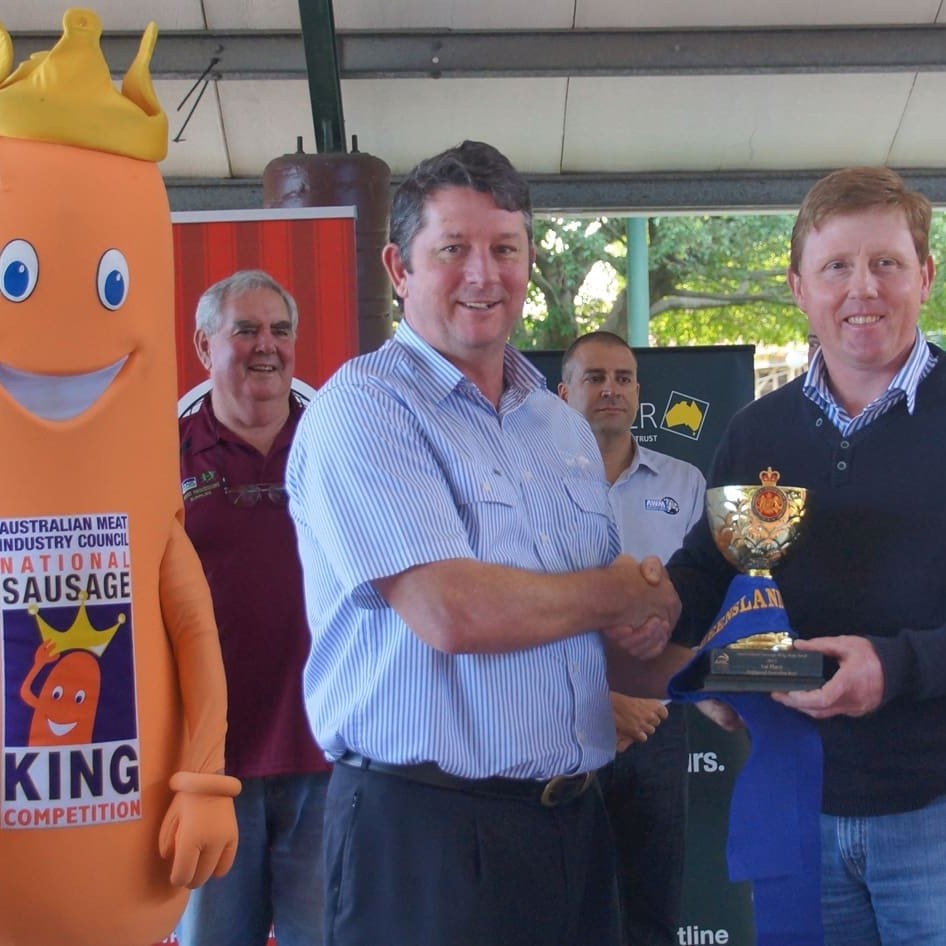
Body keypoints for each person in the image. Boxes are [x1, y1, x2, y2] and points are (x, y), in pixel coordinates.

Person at [286, 140, 681, 946]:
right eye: (453, 249)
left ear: (529, 260)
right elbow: (449, 610)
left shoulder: (558, 427)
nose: (483, 274)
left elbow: (605, 636)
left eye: (505, 248)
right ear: (399, 268)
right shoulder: (363, 409)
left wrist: (735, 656)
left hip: (574, 820)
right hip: (425, 832)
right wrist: (624, 590)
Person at [663, 167, 946, 945]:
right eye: (836, 267)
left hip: (936, 814)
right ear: (797, 286)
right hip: (799, 801)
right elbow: (708, 571)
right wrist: (668, 629)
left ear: (924, 275)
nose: (863, 289)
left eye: (886, 263)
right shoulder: (758, 433)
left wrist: (898, 667)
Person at [176, 270, 331, 946]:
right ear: (204, 346)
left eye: (280, 329)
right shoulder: (159, 455)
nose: (266, 345)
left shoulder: (340, 448)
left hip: (325, 753)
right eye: (246, 330)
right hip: (207, 766)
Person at [559, 331, 706, 946]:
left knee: (652, 909)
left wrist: (650, 698)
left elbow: (702, 608)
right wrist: (599, 699)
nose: (610, 390)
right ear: (563, 393)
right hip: (560, 717)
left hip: (658, 724)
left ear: (639, 392)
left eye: (622, 377)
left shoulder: (688, 481)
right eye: (595, 377)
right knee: (568, 909)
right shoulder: (532, 485)